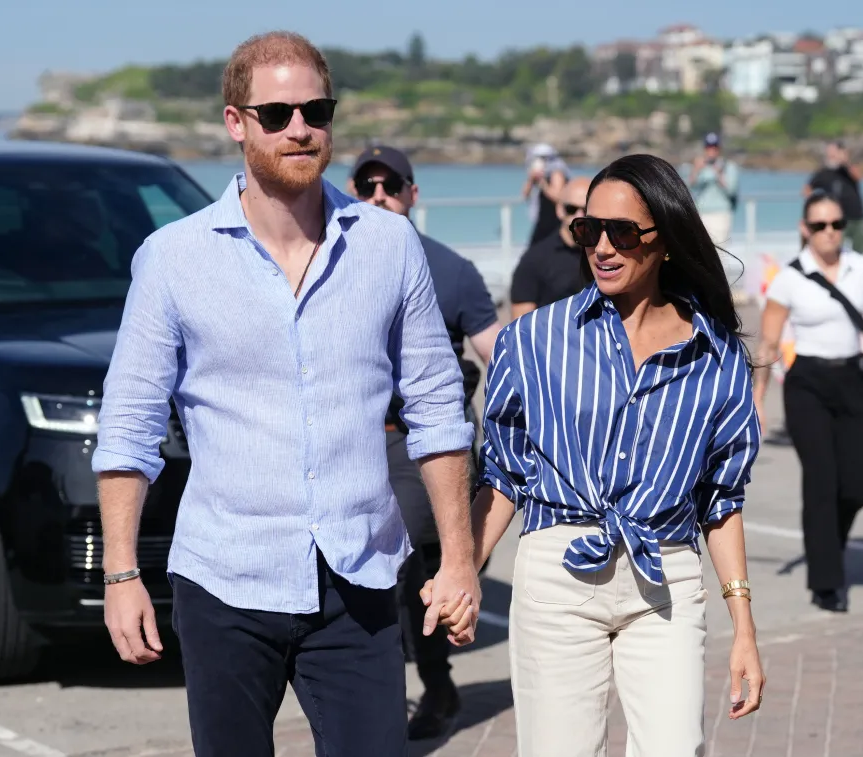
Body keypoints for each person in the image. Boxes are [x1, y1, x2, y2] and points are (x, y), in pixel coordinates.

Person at [92, 31, 481, 757]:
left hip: (359, 582)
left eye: (316, 110)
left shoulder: (388, 245)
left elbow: (436, 408)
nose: (299, 128)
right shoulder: (174, 259)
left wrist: (457, 559)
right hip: (225, 581)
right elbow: (129, 427)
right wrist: (122, 574)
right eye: (276, 114)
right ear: (236, 123)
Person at [425, 153, 766, 755]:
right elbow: (504, 474)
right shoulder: (535, 340)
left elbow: (721, 499)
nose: (602, 247)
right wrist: (463, 574)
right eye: (589, 230)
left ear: (665, 240)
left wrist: (743, 626)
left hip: (666, 573)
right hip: (558, 572)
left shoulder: (718, 359)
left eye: (623, 233)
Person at [347, 144, 501, 739]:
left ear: (413, 194)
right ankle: (428, 687)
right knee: (412, 576)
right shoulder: (329, 262)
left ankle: (413, 693)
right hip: (353, 441)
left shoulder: (452, 269)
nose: (379, 195)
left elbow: (498, 351)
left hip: (419, 443)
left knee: (397, 559)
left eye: (392, 185)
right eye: (367, 186)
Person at [754, 190, 863, 613]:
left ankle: (827, 546)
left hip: (853, 379)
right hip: (808, 385)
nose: (830, 233)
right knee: (821, 480)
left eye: (836, 224)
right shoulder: (789, 278)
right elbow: (768, 342)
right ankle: (827, 582)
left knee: (857, 483)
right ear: (805, 230)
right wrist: (758, 399)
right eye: (819, 226)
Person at [509, 176, 590, 320]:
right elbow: (520, 329)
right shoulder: (534, 260)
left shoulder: (607, 255)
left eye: (586, 209)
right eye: (571, 209)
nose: (579, 216)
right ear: (559, 209)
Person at [804, 140, 863, 254]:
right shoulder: (823, 173)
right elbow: (807, 190)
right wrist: (819, 205)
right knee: (836, 251)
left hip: (857, 216)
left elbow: (859, 177)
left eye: (835, 152)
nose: (833, 156)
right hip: (837, 220)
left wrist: (845, 161)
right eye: (830, 153)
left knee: (861, 252)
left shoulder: (847, 170)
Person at [687, 132, 740, 246]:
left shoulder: (728, 166)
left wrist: (718, 174)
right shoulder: (699, 166)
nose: (711, 151)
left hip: (721, 214)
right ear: (705, 149)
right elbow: (687, 188)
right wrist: (696, 170)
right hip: (701, 213)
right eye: (709, 147)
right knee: (701, 251)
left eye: (714, 147)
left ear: (719, 149)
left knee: (720, 250)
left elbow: (731, 190)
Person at [521, 143, 569, 246]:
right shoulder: (539, 174)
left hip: (554, 220)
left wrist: (543, 183)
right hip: (542, 219)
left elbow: (558, 197)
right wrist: (531, 179)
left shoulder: (557, 172)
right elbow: (525, 194)